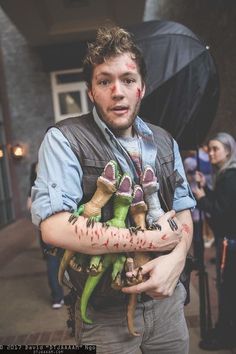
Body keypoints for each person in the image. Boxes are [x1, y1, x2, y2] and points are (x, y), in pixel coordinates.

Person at [31, 26, 195, 353]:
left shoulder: (165, 140)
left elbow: (184, 209)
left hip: (168, 307)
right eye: (104, 81)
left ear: (142, 88)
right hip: (105, 317)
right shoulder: (66, 139)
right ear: (91, 91)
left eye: (128, 80)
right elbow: (53, 227)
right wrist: (150, 239)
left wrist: (176, 260)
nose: (117, 91)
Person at [193, 132, 236, 350]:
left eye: (215, 149)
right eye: (209, 149)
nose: (210, 153)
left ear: (228, 151)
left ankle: (226, 335)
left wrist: (201, 198)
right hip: (228, 240)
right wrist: (206, 189)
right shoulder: (225, 174)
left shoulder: (230, 176)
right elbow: (222, 203)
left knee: (227, 289)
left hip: (230, 242)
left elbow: (221, 212)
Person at [27, 162, 64, 309]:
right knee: (59, 258)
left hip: (45, 222)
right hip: (59, 219)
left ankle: (57, 297)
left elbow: (29, 204)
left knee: (52, 259)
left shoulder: (35, 169)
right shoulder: (56, 165)